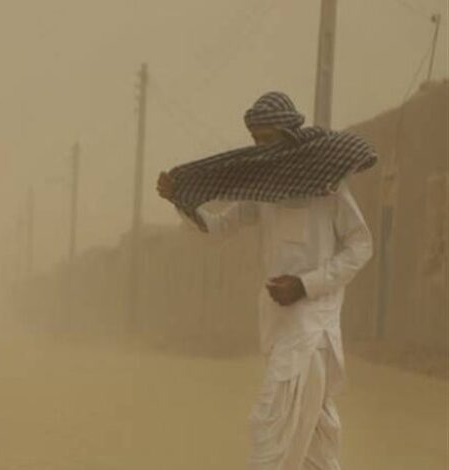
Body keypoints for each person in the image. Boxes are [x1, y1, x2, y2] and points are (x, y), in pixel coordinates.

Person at [156, 91, 374, 469]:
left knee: (272, 428)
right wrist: (181, 201)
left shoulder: (328, 185)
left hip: (312, 330)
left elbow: (361, 246)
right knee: (314, 444)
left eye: (267, 140)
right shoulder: (264, 189)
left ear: (289, 135)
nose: (260, 149)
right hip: (278, 325)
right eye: (255, 140)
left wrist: (306, 284)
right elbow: (220, 228)